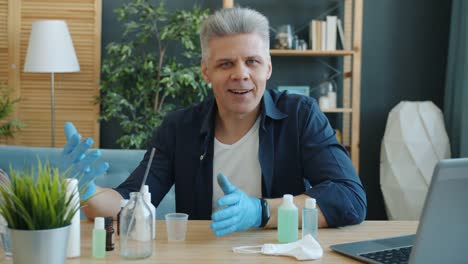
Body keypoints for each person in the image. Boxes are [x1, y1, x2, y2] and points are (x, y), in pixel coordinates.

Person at [68, 7, 366, 237]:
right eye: (226, 63)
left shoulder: (301, 115)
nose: (241, 74)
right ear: (205, 70)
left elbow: (350, 198)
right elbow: (129, 206)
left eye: (252, 61)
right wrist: (88, 193)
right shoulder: (178, 128)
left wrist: (261, 211)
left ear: (268, 67)